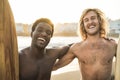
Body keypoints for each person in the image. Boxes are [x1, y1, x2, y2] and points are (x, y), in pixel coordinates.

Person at [53, 8, 117, 80]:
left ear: (99, 20)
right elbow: (56, 66)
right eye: (86, 20)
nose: (90, 22)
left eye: (93, 18)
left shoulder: (112, 45)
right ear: (83, 25)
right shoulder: (76, 48)